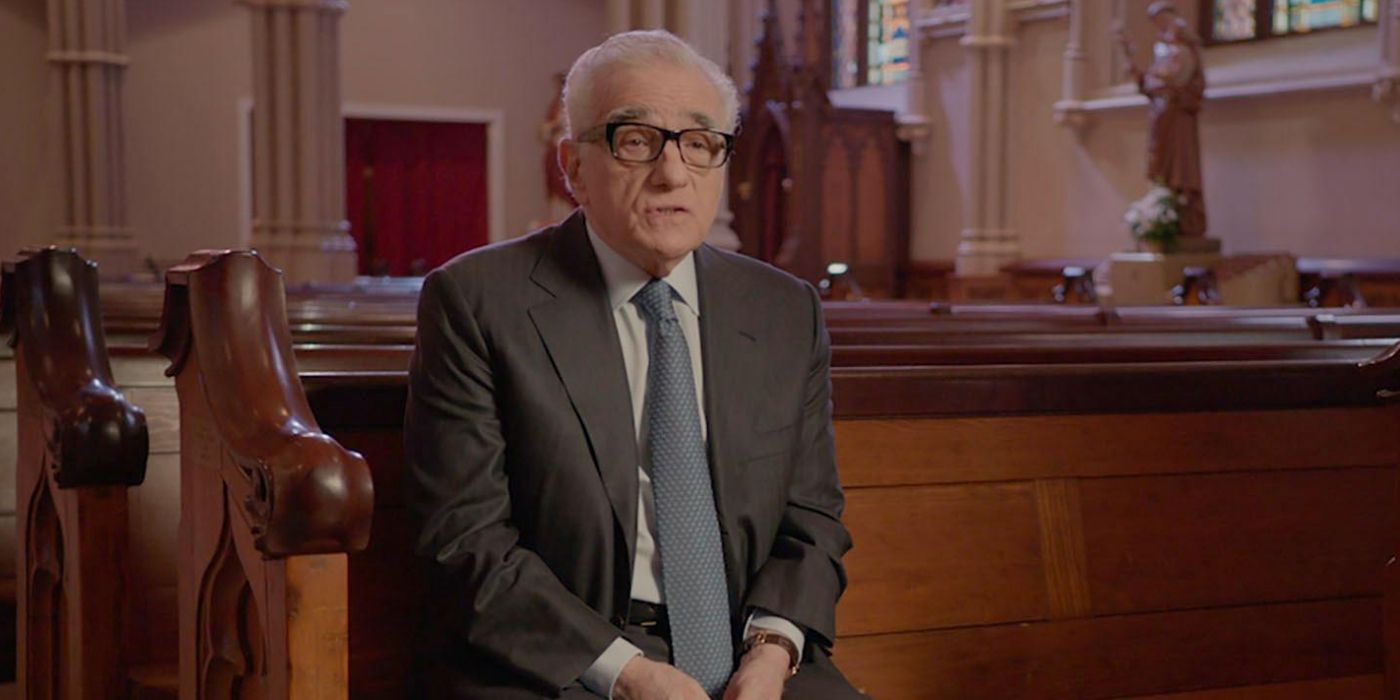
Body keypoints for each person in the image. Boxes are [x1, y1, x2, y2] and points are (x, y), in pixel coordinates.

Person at [405, 30, 862, 700]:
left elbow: (812, 517)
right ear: (574, 165)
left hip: (754, 656)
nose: (673, 173)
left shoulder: (783, 309)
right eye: (636, 139)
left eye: (700, 143)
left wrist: (772, 651)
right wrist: (628, 674)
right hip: (560, 661)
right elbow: (464, 542)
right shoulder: (478, 302)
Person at [1117, 0, 1208, 237]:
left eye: (1164, 23)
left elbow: (1175, 81)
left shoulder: (1183, 53)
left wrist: (1160, 82)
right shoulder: (1165, 54)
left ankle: (1182, 213)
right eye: (1158, 25)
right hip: (1160, 117)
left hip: (1177, 118)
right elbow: (1152, 83)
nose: (1162, 30)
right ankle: (1161, 209)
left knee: (1181, 165)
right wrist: (1139, 73)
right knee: (1159, 164)